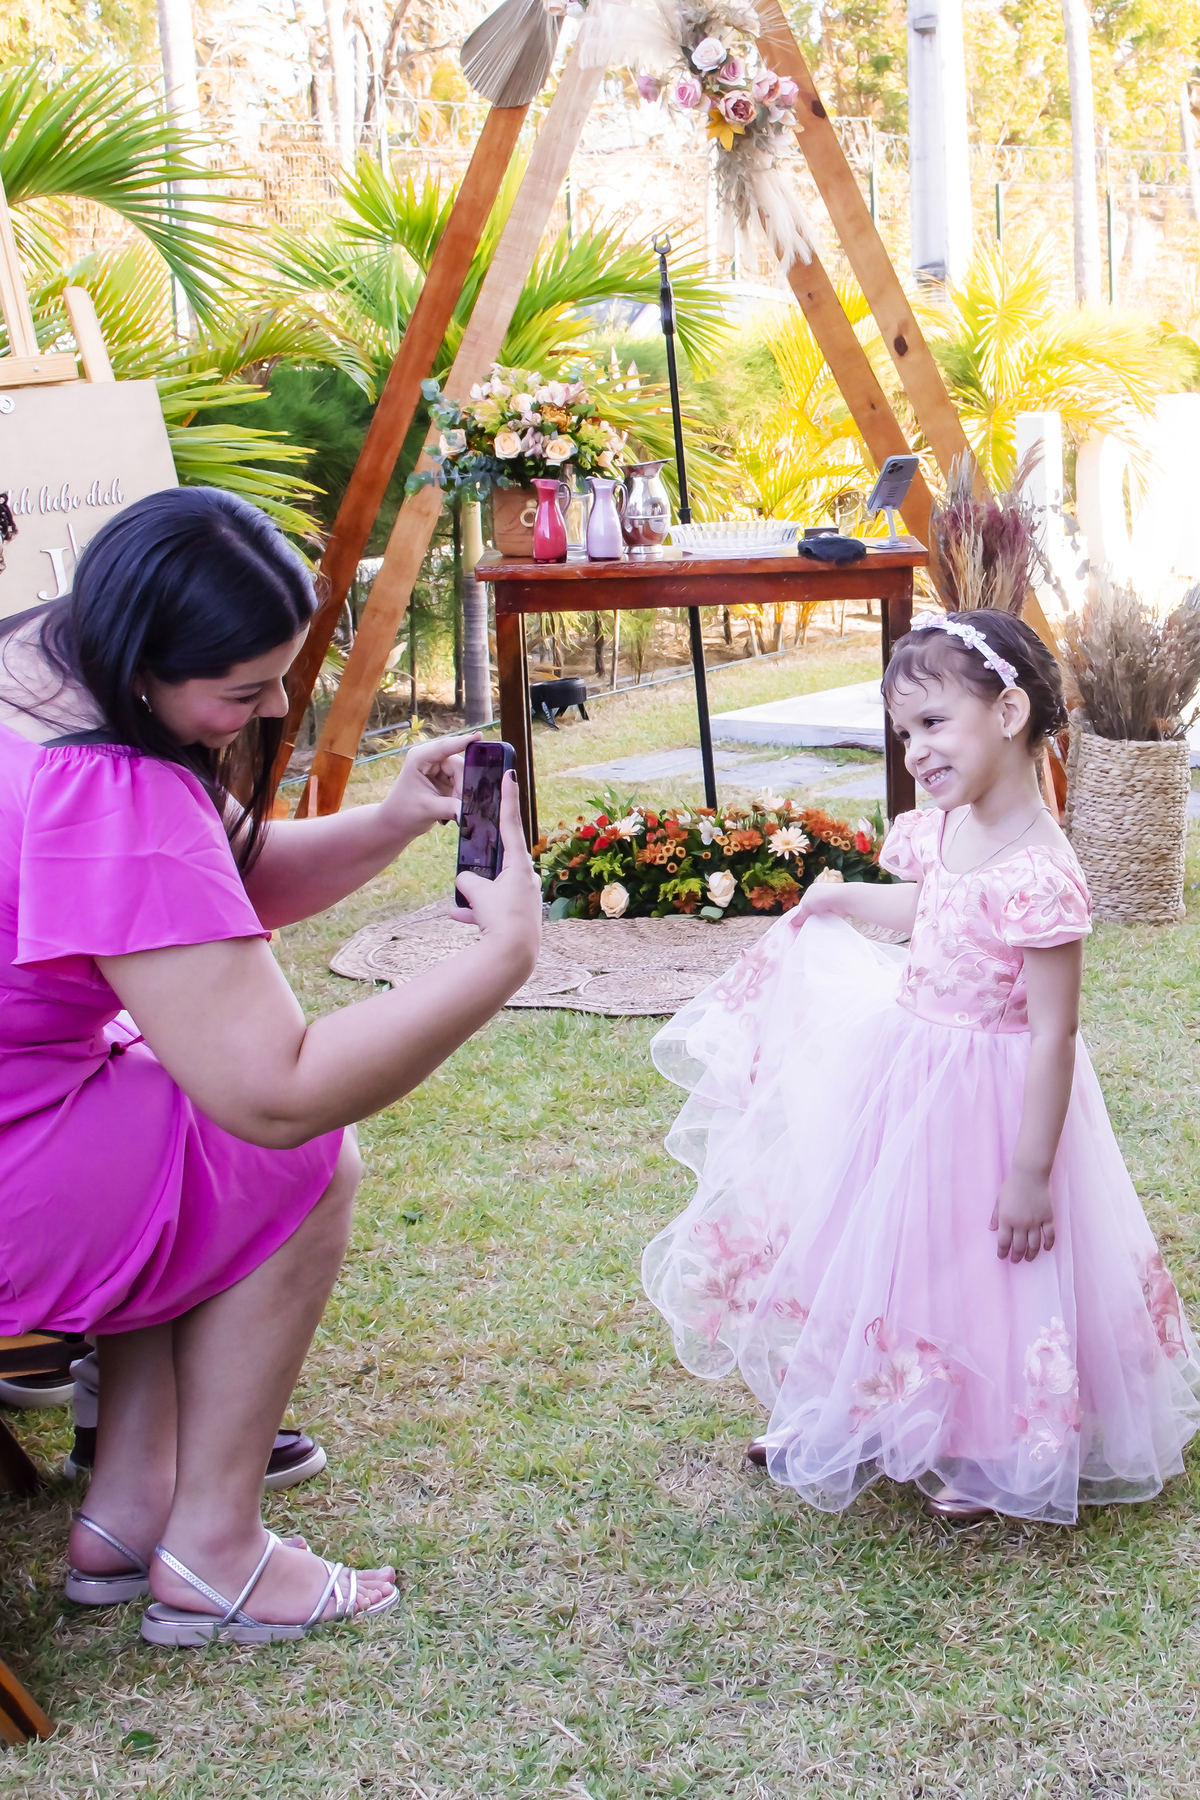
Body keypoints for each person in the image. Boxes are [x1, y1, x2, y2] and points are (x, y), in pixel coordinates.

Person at [0, 486, 542, 1641]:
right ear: (146, 664)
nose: (275, 706)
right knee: (279, 1157)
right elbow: (279, 1093)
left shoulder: (40, 679)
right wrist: (501, 957)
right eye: (244, 692)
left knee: (160, 1094)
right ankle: (215, 1551)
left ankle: (133, 1506)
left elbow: (198, 890)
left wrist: (394, 819)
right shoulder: (114, 786)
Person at [642, 609, 1200, 1524]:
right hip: (910, 1072)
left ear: (1010, 712)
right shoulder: (941, 832)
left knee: (987, 1262)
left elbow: (1055, 1033)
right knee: (886, 1246)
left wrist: (1029, 1173)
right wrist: (841, 900)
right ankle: (844, 1409)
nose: (916, 752)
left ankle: (998, 1444)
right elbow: (932, 912)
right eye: (905, 733)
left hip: (996, 1099)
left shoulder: (1042, 871)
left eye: (935, 724)